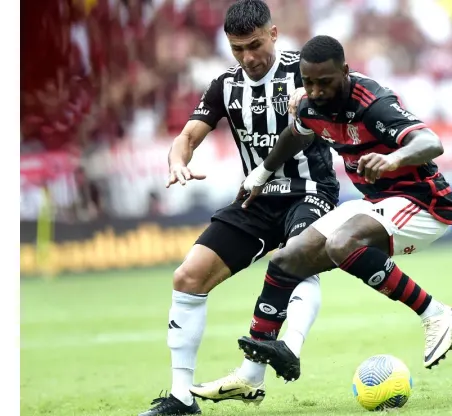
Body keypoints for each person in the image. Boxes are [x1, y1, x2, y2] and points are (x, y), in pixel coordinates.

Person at [199, 34, 452, 387]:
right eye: (308, 82)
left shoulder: (374, 103)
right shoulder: (310, 104)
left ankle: (436, 313)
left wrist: (391, 159)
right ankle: (250, 376)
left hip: (422, 203)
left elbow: (432, 142)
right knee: (286, 261)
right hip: (377, 202)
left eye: (325, 82)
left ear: (345, 71)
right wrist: (261, 174)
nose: (317, 90)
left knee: (342, 244)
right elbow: (297, 133)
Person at [138, 2, 340, 415]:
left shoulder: (303, 75)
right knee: (188, 276)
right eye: (237, 49)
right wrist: (178, 160)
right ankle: (180, 398)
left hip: (309, 191)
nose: (248, 58)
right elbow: (189, 135)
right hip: (255, 199)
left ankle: (287, 346)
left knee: (295, 258)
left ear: (274, 34)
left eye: (254, 45)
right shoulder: (225, 85)